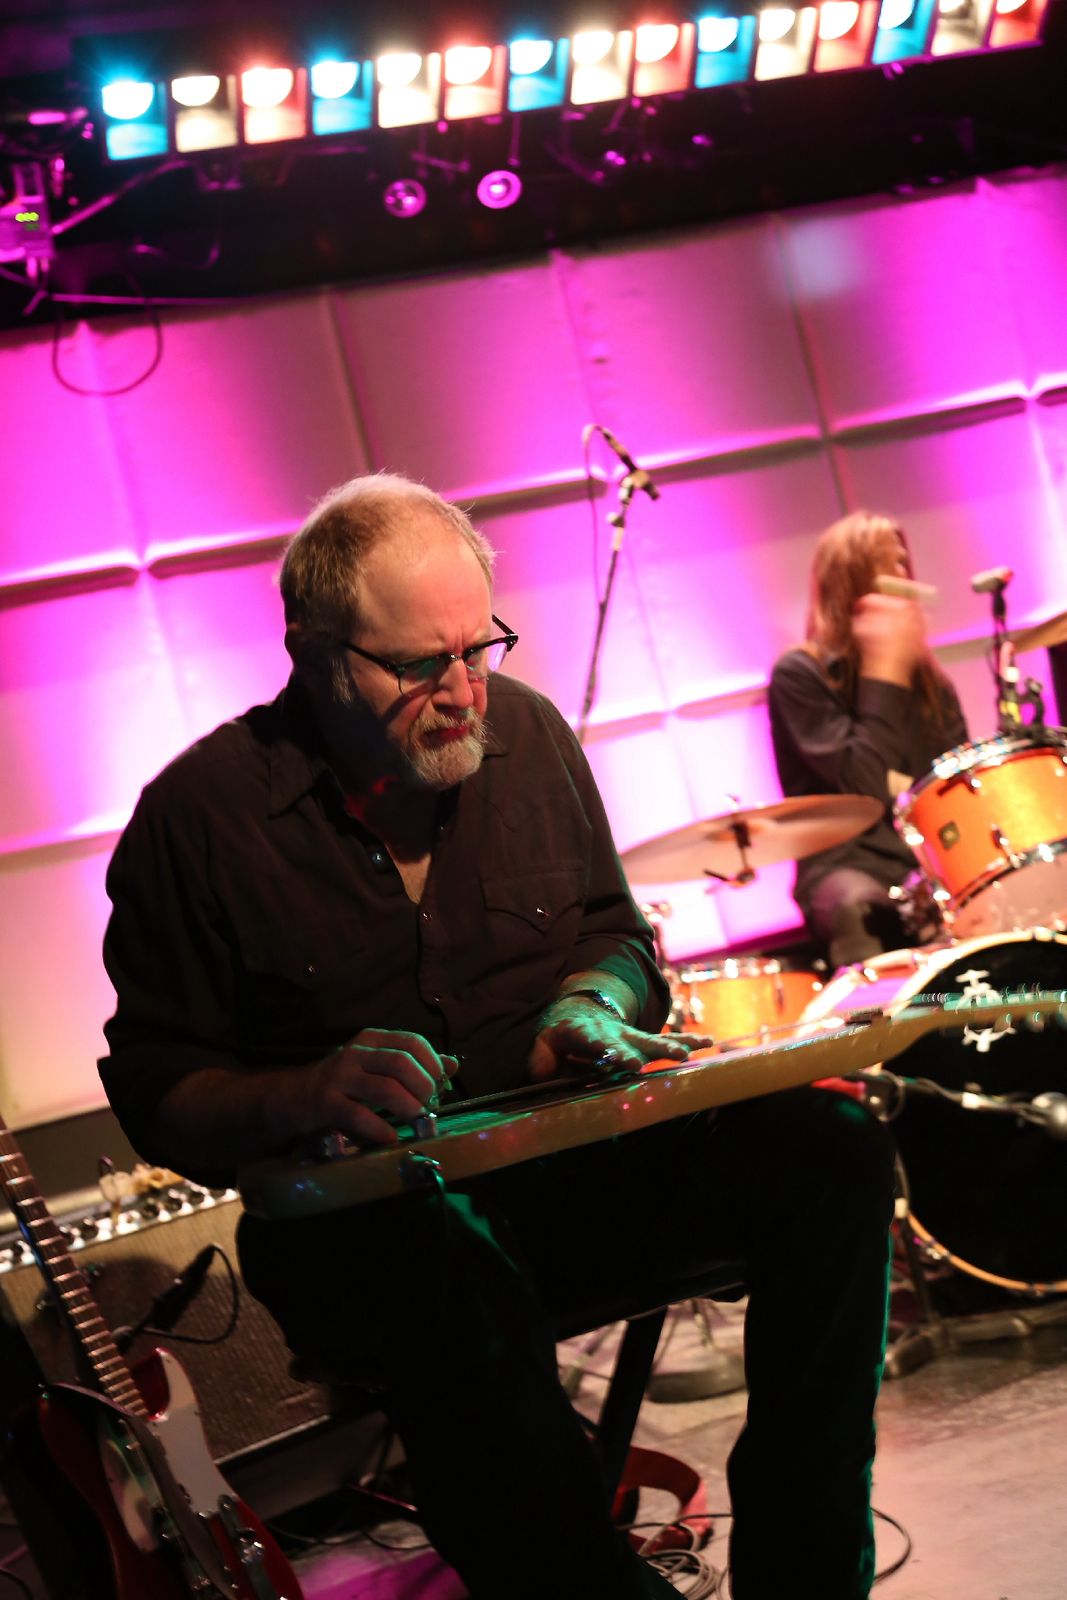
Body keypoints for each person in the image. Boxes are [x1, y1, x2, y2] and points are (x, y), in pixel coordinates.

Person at [99, 474, 895, 1600]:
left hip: (573, 1186)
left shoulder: (525, 731)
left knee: (833, 1150)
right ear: (313, 652)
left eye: (480, 647)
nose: (464, 691)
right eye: (420, 665)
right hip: (367, 1241)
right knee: (445, 1263)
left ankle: (808, 1579)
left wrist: (594, 1001)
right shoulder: (196, 821)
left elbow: (616, 936)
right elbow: (158, 1088)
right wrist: (304, 1093)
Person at [768, 511, 969, 971]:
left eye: (902, 562)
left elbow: (953, 790)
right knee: (859, 908)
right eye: (884, 564)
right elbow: (867, 784)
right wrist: (884, 670)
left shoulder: (932, 685)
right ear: (850, 583)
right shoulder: (801, 674)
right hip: (847, 865)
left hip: (924, 862)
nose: (901, 575)